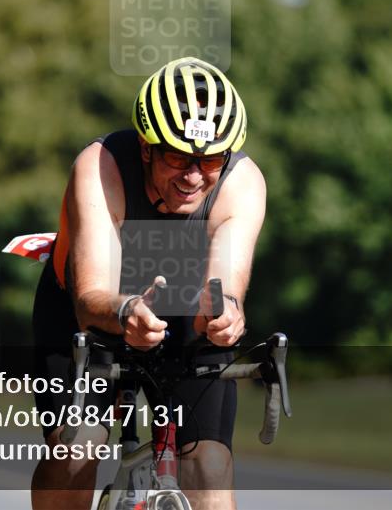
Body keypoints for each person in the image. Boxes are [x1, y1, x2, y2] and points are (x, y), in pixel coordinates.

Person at [30, 57, 266, 510]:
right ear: (145, 148)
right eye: (177, 157)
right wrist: (125, 312)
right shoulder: (101, 166)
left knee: (210, 466)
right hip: (90, 315)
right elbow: (90, 297)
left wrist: (225, 315)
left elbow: (224, 287)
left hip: (180, 315)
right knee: (76, 451)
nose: (193, 176)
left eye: (209, 160)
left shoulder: (242, 183)